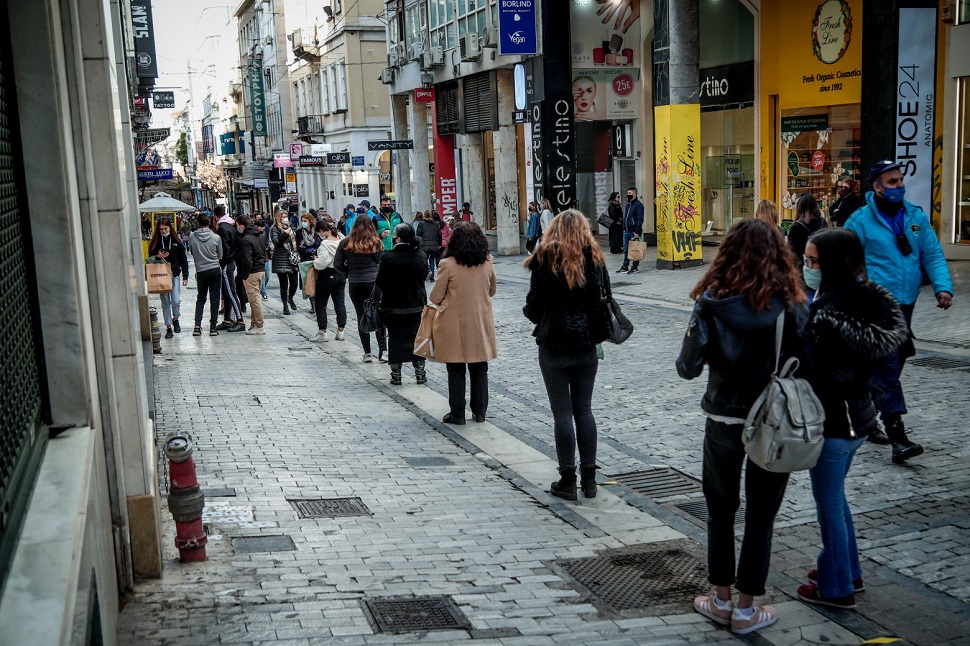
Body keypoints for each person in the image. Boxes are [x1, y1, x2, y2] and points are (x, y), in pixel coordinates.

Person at [676, 218, 810, 636]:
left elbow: (687, 367)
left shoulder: (712, 302)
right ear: (779, 255)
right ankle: (748, 609)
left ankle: (719, 600)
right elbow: (807, 364)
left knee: (720, 513)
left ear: (727, 253)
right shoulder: (792, 304)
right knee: (761, 518)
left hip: (723, 421)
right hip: (772, 422)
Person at [796, 228, 909, 609]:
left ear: (834, 265)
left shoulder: (828, 313)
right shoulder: (870, 300)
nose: (806, 267)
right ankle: (846, 568)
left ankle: (837, 587)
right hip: (859, 417)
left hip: (834, 423)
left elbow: (815, 370)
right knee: (837, 500)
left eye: (812, 261)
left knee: (828, 505)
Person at [844, 160, 954, 463]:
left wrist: (943, 287)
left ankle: (864, 412)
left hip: (906, 303)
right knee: (889, 366)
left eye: (900, 181)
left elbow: (932, 255)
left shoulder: (915, 217)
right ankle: (898, 439)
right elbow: (845, 263)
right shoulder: (859, 222)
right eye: (892, 182)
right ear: (876, 186)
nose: (899, 187)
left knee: (898, 356)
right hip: (875, 305)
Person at [523, 210, 612, 501]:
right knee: (584, 410)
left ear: (554, 229)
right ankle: (589, 480)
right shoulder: (595, 257)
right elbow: (604, 300)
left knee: (562, 413)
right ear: (585, 230)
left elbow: (533, 306)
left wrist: (537, 314)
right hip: (586, 343)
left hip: (554, 343)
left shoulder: (545, 258)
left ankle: (567, 478)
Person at [429, 222, 497, 424]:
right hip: (479, 321)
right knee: (479, 367)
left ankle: (458, 413)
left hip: (454, 323)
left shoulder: (447, 264)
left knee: (456, 368)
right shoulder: (487, 261)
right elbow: (492, 290)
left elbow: (435, 296)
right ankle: (480, 411)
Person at [376, 224, 429, 385]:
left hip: (393, 306)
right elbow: (424, 276)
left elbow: (380, 281)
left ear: (398, 238)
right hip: (415, 303)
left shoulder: (388, 257)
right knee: (416, 337)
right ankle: (420, 372)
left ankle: (396, 373)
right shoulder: (420, 256)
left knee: (395, 338)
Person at [334, 214, 387, 362]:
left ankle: (367, 353)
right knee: (379, 315)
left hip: (355, 283)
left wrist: (349, 271)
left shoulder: (345, 243)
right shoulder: (376, 242)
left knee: (361, 316)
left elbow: (337, 264)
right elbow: (380, 261)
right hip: (373, 283)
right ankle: (383, 352)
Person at [147, 217, 189, 338]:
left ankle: (176, 318)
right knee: (165, 302)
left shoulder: (176, 241)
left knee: (175, 300)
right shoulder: (156, 242)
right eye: (161, 229)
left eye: (165, 228)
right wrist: (158, 256)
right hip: (161, 276)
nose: (163, 231)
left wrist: (185, 276)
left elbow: (183, 259)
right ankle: (168, 326)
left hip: (174, 274)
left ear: (170, 228)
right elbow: (150, 259)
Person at [309, 219, 347, 343]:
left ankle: (322, 332)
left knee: (321, 304)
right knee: (340, 303)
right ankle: (341, 331)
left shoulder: (325, 244)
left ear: (321, 231)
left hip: (327, 274)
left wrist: (316, 261)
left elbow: (322, 262)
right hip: (340, 274)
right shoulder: (342, 240)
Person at [188, 212, 224, 337]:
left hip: (201, 270)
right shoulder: (216, 237)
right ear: (209, 223)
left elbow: (191, 251)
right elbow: (220, 255)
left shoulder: (192, 236)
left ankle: (197, 326)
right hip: (214, 269)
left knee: (201, 298)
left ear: (197, 223)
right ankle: (213, 327)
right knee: (215, 299)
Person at [214, 205, 245, 332]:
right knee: (227, 292)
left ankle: (240, 320)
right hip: (232, 261)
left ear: (215, 216)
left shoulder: (222, 228)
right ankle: (228, 319)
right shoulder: (231, 225)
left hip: (227, 263)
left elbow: (225, 249)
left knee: (231, 292)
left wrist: (223, 259)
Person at [235, 215, 267, 335]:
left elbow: (247, 259)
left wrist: (244, 274)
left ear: (242, 226)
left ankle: (259, 325)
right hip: (260, 269)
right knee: (255, 297)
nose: (237, 228)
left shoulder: (246, 239)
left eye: (238, 226)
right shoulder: (259, 235)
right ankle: (254, 323)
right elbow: (264, 252)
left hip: (252, 272)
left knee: (254, 299)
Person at [786, 194, 828, 268]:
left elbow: (791, 253)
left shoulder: (796, 227)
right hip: (820, 266)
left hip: (802, 268)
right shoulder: (823, 222)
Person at [270, 211, 299, 314]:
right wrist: (285, 233)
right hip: (281, 258)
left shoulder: (291, 227)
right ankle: (285, 305)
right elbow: (276, 241)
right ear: (278, 218)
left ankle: (290, 297)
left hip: (292, 258)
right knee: (284, 284)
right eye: (283, 217)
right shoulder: (274, 228)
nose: (285, 218)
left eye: (286, 216)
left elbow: (295, 240)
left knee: (294, 283)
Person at [296, 212, 321, 314]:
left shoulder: (316, 232)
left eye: (305, 221)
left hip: (316, 259)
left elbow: (318, 244)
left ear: (310, 221)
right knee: (309, 282)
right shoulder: (299, 233)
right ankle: (313, 304)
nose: (303, 223)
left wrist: (313, 250)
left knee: (317, 282)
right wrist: (306, 250)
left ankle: (319, 303)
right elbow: (298, 247)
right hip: (305, 259)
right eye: (302, 221)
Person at [617, 187, 644, 274]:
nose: (628, 195)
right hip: (626, 230)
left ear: (634, 194)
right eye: (627, 193)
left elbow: (640, 219)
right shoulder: (628, 204)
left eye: (629, 193)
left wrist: (637, 231)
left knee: (635, 250)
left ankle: (635, 267)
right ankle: (625, 266)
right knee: (626, 250)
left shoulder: (639, 205)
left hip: (633, 231)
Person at [417, 210, 443, 281]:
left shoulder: (421, 224)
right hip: (434, 245)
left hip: (424, 245)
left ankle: (428, 272)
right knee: (432, 260)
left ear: (424, 216)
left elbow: (418, 234)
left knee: (424, 259)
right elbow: (439, 235)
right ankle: (432, 276)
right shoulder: (436, 224)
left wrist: (418, 244)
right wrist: (439, 244)